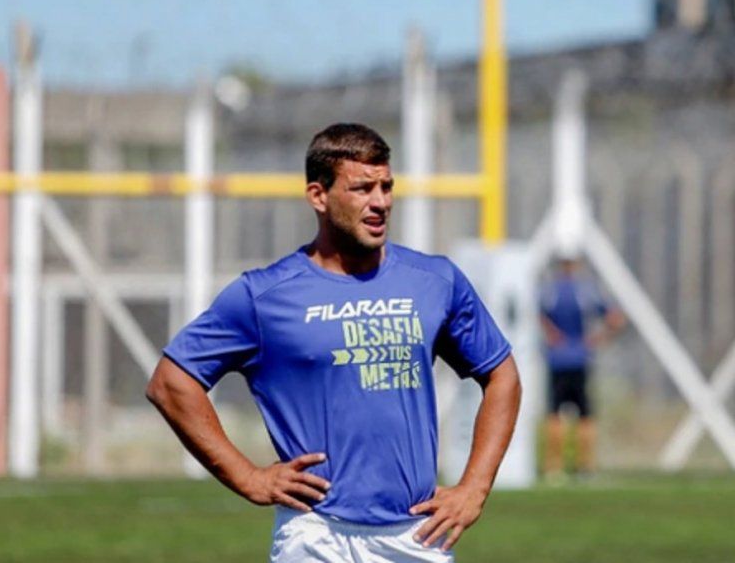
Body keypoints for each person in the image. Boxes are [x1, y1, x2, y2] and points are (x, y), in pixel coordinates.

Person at [145, 123, 521, 562]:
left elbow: (503, 376)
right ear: (318, 196)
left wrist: (474, 488)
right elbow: (171, 384)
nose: (380, 202)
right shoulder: (264, 296)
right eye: (362, 188)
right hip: (315, 535)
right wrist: (248, 477)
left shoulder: (435, 281)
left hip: (418, 535)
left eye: (386, 186)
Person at [538, 256, 624, 480]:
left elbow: (535, 314)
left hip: (557, 359)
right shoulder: (587, 289)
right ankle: (585, 467)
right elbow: (615, 318)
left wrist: (552, 335)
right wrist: (597, 338)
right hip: (580, 358)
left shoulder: (550, 289)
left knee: (555, 412)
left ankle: (553, 469)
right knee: (585, 414)